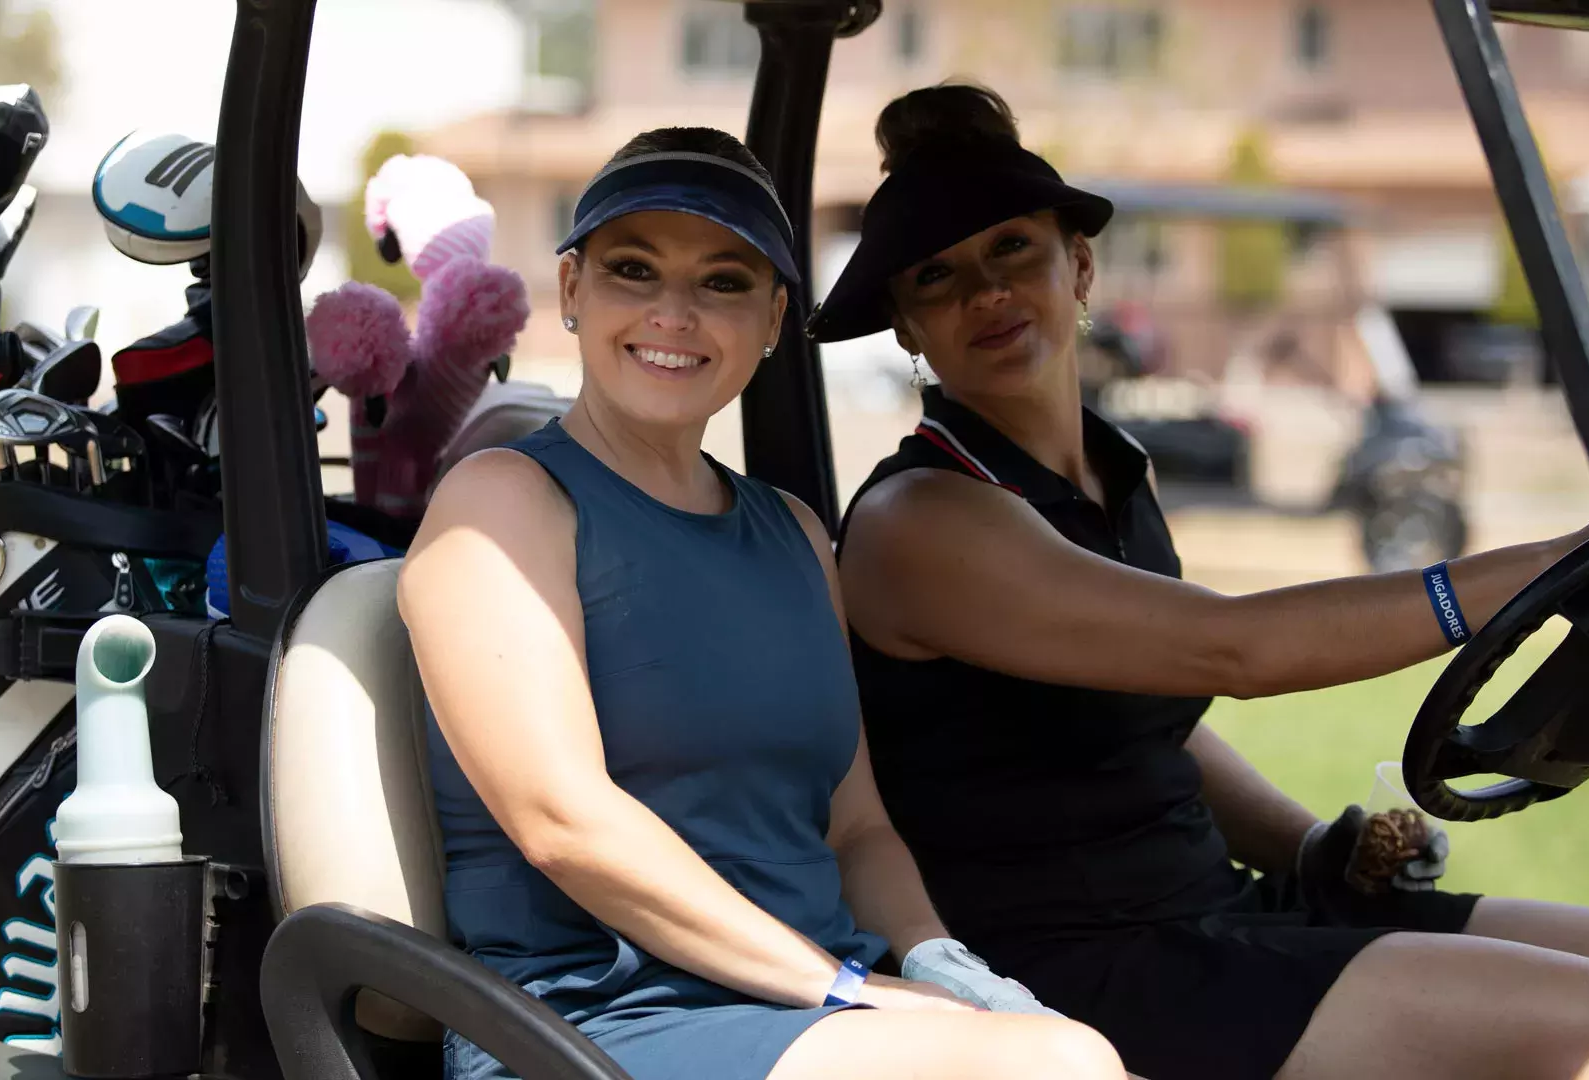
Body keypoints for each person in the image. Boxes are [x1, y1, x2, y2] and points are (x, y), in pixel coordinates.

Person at [816, 82, 1589, 1080]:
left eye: (1012, 248)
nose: (985, 292)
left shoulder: (1111, 468)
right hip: (1071, 962)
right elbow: (1231, 648)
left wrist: (1311, 848)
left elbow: (1164, 717)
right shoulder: (918, 521)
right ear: (909, 330)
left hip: (1209, 911)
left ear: (1080, 264)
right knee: (1586, 1019)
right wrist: (1540, 566)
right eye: (938, 277)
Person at [397, 126, 1126, 1080]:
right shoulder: (504, 502)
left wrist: (939, 959)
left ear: (775, 319)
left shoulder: (792, 533)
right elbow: (562, 823)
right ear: (572, 290)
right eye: (633, 270)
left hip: (808, 1005)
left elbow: (853, 827)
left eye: (724, 283)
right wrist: (839, 987)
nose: (675, 314)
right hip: (591, 1027)